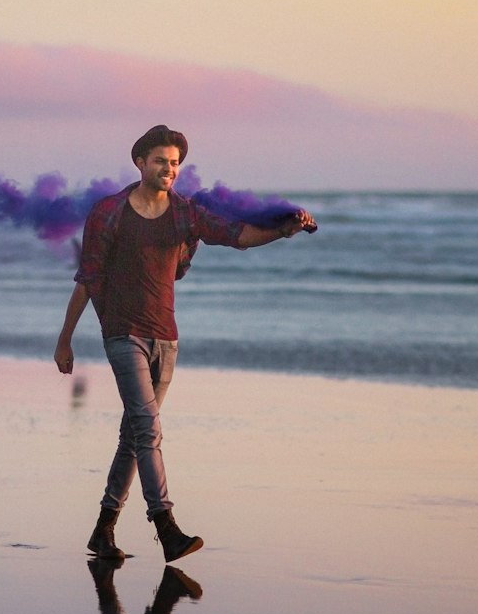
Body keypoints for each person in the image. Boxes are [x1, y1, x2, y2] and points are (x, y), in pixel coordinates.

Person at [54, 125, 314, 562]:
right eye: (160, 161)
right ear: (140, 162)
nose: (168, 169)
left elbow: (239, 236)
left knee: (133, 436)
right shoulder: (109, 213)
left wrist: (282, 231)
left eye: (175, 163)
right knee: (149, 430)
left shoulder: (184, 213)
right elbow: (87, 279)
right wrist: (65, 341)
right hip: (122, 333)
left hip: (166, 337)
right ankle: (166, 525)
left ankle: (103, 530)